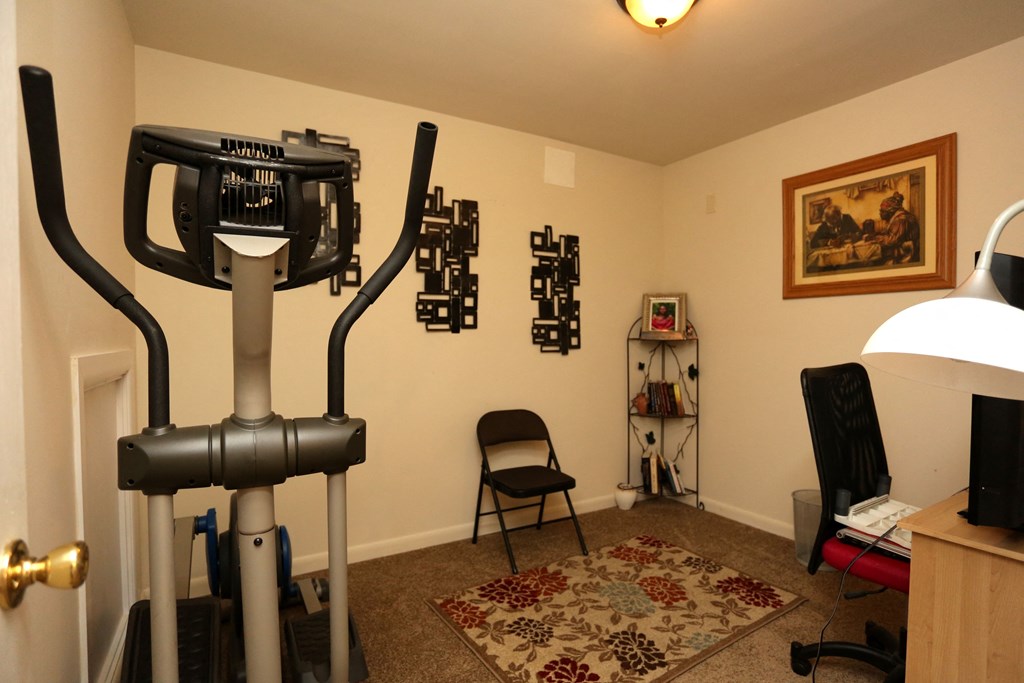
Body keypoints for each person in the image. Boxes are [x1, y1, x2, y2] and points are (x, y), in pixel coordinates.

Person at [867, 191, 920, 263]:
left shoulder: (900, 219)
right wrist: (877, 234)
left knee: (871, 259)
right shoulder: (897, 217)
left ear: (890, 211)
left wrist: (875, 238)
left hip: (908, 255)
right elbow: (891, 232)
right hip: (904, 251)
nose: (880, 214)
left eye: (882, 211)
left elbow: (892, 241)